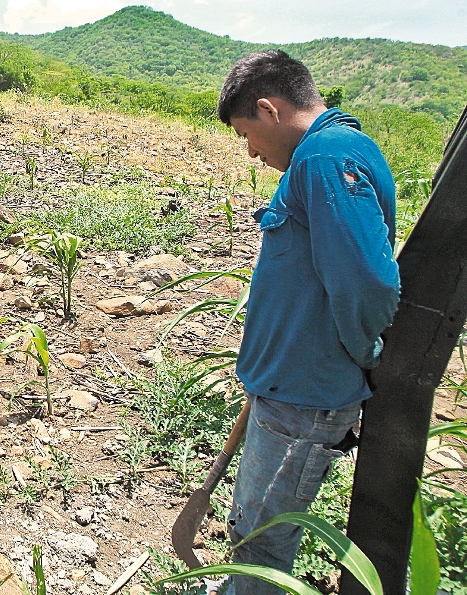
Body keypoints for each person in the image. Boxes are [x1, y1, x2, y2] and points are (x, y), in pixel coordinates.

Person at [216, 50, 400, 594]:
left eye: (247, 134)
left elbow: (368, 282)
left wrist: (363, 354)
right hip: (290, 389)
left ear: (270, 110)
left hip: (303, 397)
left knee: (262, 540)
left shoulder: (322, 159)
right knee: (256, 529)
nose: (250, 151)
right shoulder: (333, 152)